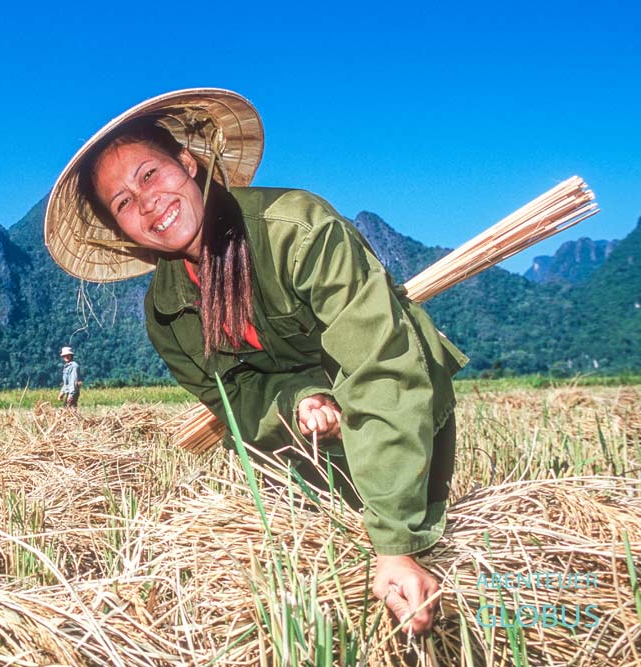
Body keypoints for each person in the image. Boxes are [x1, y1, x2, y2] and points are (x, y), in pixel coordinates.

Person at [43, 89, 467, 635]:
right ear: (121, 228)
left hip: (399, 420)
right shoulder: (168, 313)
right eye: (123, 202)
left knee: (407, 578)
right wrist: (300, 400)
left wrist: (396, 546)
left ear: (188, 164)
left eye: (149, 175)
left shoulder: (297, 230)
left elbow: (383, 366)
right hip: (299, 448)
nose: (145, 202)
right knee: (325, 612)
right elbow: (235, 400)